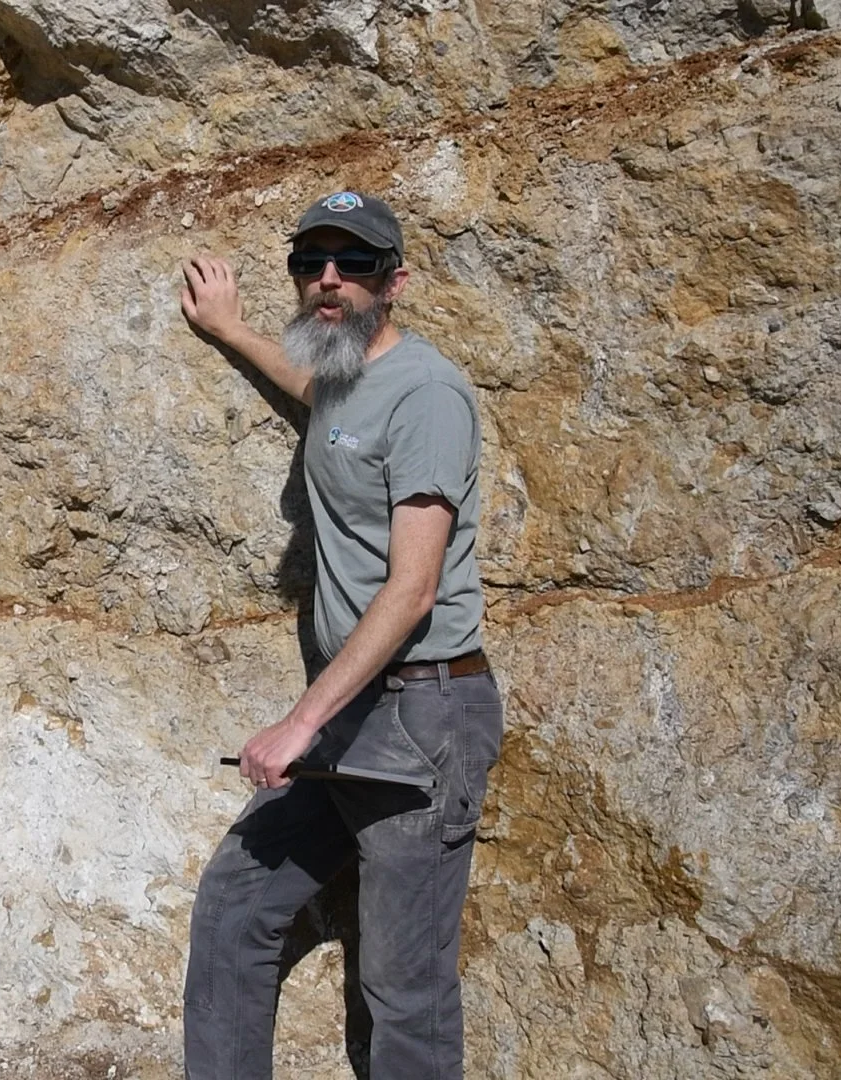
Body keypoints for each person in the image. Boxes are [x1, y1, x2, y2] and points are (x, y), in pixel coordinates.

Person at [177, 192, 504, 1078]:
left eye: (352, 264)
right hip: (355, 714)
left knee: (407, 987)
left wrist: (298, 722)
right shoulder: (349, 374)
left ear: (392, 280)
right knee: (236, 907)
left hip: (421, 720)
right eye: (312, 263)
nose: (329, 280)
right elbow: (316, 392)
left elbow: (414, 587)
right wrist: (233, 331)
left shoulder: (429, 393)